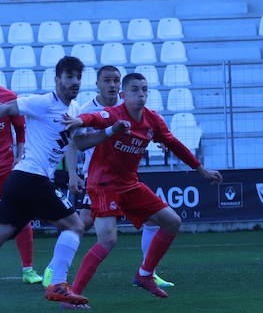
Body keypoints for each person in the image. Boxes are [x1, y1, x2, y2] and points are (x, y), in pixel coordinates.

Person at [64, 72, 222, 301]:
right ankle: (73, 295)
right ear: (123, 95)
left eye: (144, 89)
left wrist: (202, 170)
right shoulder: (115, 114)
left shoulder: (153, 120)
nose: (141, 94)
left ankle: (145, 275)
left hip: (130, 184)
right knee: (107, 240)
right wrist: (81, 120)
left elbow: (175, 144)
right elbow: (95, 119)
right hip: (103, 184)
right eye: (135, 90)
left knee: (172, 221)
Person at [47, 65, 173, 289]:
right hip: (98, 178)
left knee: (154, 220)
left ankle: (148, 271)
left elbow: (144, 130)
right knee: (82, 224)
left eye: (116, 80)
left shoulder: (128, 106)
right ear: (98, 84)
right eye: (107, 81)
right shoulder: (87, 110)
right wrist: (73, 174)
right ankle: (54, 269)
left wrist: (160, 142)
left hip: (123, 177)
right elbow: (72, 144)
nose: (112, 85)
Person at [0, 56, 90, 307]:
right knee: (74, 225)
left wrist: (108, 132)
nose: (74, 82)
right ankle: (59, 285)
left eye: (78, 77)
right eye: (69, 76)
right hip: (31, 178)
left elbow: (75, 143)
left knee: (4, 231)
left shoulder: (73, 111)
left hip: (22, 180)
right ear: (57, 79)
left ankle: (59, 286)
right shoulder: (43, 102)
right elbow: (7, 109)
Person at [0, 85, 40, 284]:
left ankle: (28, 269)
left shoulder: (8, 97)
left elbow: (20, 128)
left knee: (22, 216)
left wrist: (19, 155)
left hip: (6, 168)